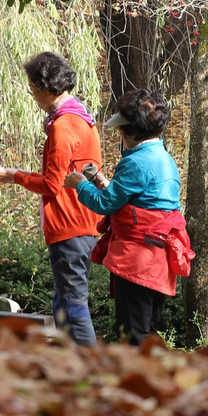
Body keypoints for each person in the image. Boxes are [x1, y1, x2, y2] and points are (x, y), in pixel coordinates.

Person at [0, 50, 101, 346]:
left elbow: (53, 185)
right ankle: (69, 373)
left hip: (69, 227)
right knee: (63, 306)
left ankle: (92, 373)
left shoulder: (63, 127)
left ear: (44, 87)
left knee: (73, 308)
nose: (32, 95)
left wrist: (16, 175)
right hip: (86, 223)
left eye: (31, 88)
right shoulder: (85, 119)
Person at [74, 91, 194, 344]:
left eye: (120, 131)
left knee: (133, 336)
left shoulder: (136, 162)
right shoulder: (164, 158)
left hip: (138, 260)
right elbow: (136, 203)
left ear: (131, 133)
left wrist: (80, 185)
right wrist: (99, 179)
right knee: (147, 331)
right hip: (159, 259)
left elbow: (106, 204)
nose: (119, 135)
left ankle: (145, 381)